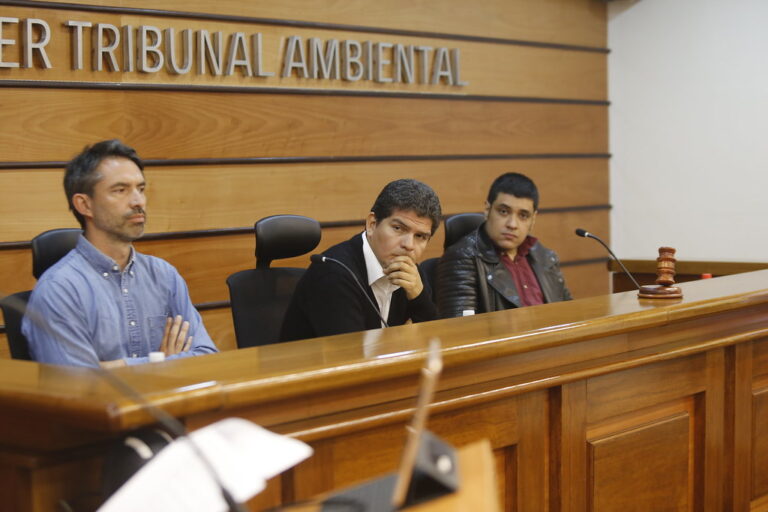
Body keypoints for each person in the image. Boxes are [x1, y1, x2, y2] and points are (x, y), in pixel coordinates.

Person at [22, 140, 218, 367]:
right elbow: (76, 383)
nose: (138, 202)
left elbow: (206, 356)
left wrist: (121, 366)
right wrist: (162, 362)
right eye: (120, 190)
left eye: (141, 189)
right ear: (85, 205)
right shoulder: (59, 289)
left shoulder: (164, 275)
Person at [280, 179, 442, 341]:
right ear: (372, 224)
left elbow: (435, 344)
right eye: (398, 228)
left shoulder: (410, 273)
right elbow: (349, 355)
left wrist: (418, 296)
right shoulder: (333, 274)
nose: (409, 245)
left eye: (420, 236)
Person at [436, 172, 571, 318]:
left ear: (533, 220)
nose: (512, 224)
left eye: (523, 215)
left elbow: (569, 313)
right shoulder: (462, 259)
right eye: (504, 212)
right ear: (487, 210)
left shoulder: (545, 257)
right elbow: (461, 329)